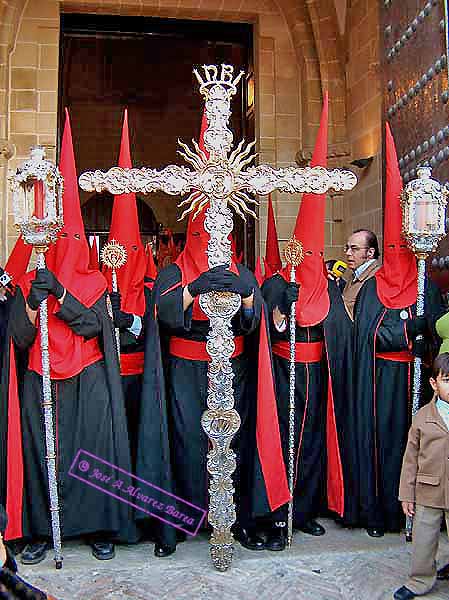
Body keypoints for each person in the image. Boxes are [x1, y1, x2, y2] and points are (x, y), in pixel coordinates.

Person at [0, 111, 136, 564]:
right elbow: (19, 338)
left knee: (91, 453)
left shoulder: (95, 281)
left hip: (88, 375)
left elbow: (95, 326)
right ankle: (41, 529)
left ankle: (98, 526)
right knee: (43, 455)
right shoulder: (30, 279)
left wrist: (61, 294)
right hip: (43, 374)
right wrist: (31, 298)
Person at [353, 124, 444, 538]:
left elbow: (439, 333)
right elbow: (372, 334)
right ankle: (379, 514)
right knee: (382, 448)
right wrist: (410, 327)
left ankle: (417, 516)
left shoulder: (427, 284)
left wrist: (426, 338)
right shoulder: (373, 286)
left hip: (416, 380)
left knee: (418, 449)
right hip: (381, 383)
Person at [262, 95, 331, 546]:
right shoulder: (276, 281)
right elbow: (272, 325)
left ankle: (304, 510)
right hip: (286, 371)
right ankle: (279, 509)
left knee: (311, 447)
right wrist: (285, 307)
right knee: (284, 441)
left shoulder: (330, 288)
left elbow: (339, 336)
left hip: (316, 374)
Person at [104, 109, 148, 470]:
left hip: (141, 378)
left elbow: (157, 327)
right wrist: (107, 316)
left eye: (134, 251)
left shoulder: (150, 288)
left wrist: (130, 319)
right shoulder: (100, 285)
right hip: (106, 378)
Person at [393, 353, 449, 600]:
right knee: (424, 540)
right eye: (447, 380)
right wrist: (407, 494)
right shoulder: (423, 417)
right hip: (428, 490)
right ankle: (420, 580)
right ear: (434, 384)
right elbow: (410, 459)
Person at [342, 229, 381, 319]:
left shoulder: (375, 278)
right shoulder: (354, 275)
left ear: (370, 252)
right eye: (347, 248)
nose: (348, 253)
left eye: (354, 249)